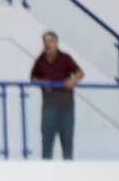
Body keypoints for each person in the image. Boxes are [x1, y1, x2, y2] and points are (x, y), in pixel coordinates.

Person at [31, 30, 83, 160]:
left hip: (67, 107)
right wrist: (42, 82)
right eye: (45, 42)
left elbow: (80, 72)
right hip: (49, 107)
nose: (47, 44)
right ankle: (46, 173)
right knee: (47, 142)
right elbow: (32, 78)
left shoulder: (65, 58)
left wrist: (73, 80)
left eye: (50, 41)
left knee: (67, 142)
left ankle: (69, 174)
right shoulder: (40, 59)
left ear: (56, 42)